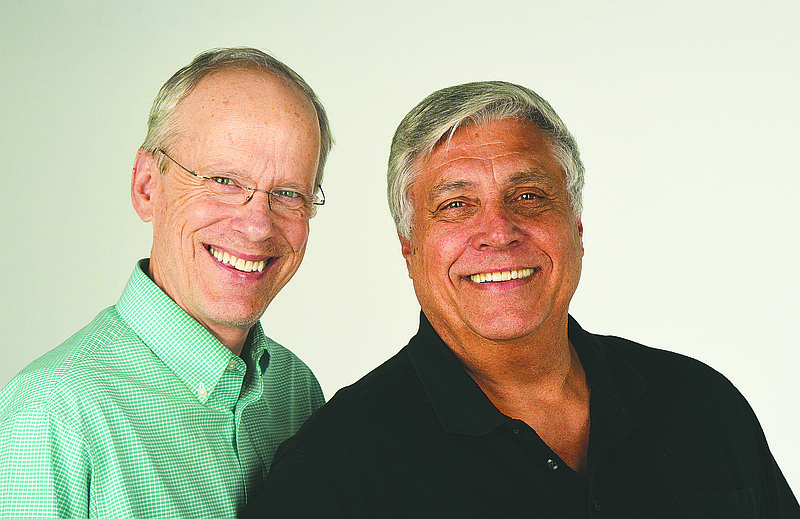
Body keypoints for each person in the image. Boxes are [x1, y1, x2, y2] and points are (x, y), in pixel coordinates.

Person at [244, 81, 799, 518]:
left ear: (576, 226)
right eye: (456, 205)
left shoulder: (702, 405)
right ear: (409, 246)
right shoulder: (335, 470)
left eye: (529, 196)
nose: (500, 231)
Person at [0, 47, 333, 518]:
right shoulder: (50, 418)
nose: (258, 225)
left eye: (287, 193)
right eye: (223, 180)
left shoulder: (295, 392)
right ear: (146, 187)